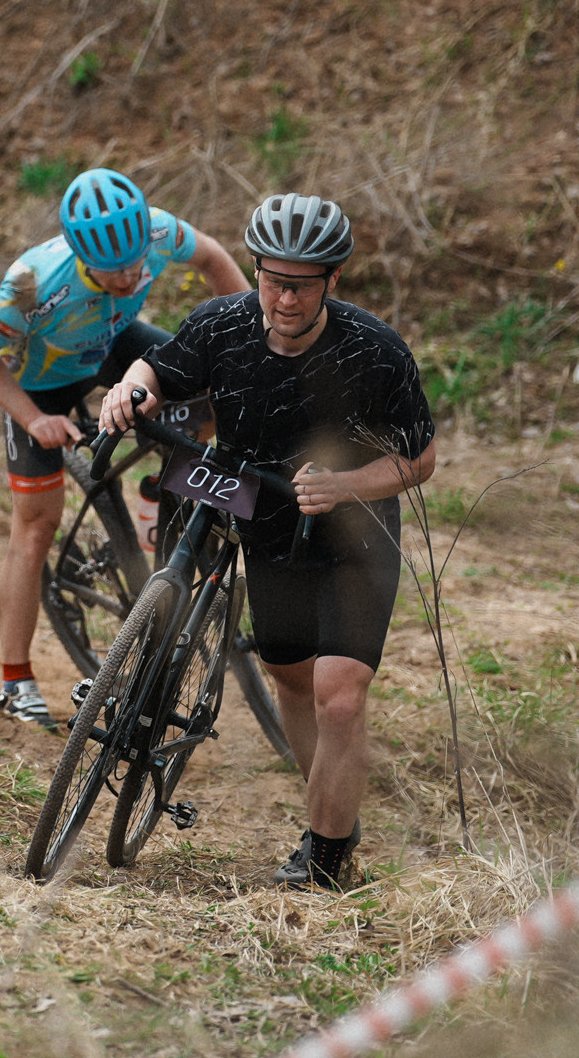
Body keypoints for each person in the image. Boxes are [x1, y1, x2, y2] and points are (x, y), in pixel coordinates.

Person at [99, 192, 435, 891]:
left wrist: (346, 486)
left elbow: (420, 461)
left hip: (352, 534)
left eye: (302, 285)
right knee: (289, 679)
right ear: (254, 268)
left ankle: (326, 853)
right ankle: (332, 802)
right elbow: (160, 369)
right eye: (272, 279)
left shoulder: (375, 351)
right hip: (265, 518)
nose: (283, 298)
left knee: (338, 697)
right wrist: (129, 391)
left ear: (332, 281)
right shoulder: (221, 325)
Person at [0, 168, 249, 729]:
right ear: (81, 255)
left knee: (208, 400)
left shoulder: (158, 232)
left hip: (117, 347)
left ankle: (152, 503)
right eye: (116, 272)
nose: (133, 274)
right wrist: (35, 418)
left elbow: (212, 259)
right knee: (36, 523)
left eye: (138, 262)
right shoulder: (35, 281)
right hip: (45, 383)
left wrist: (245, 338)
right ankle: (15, 680)